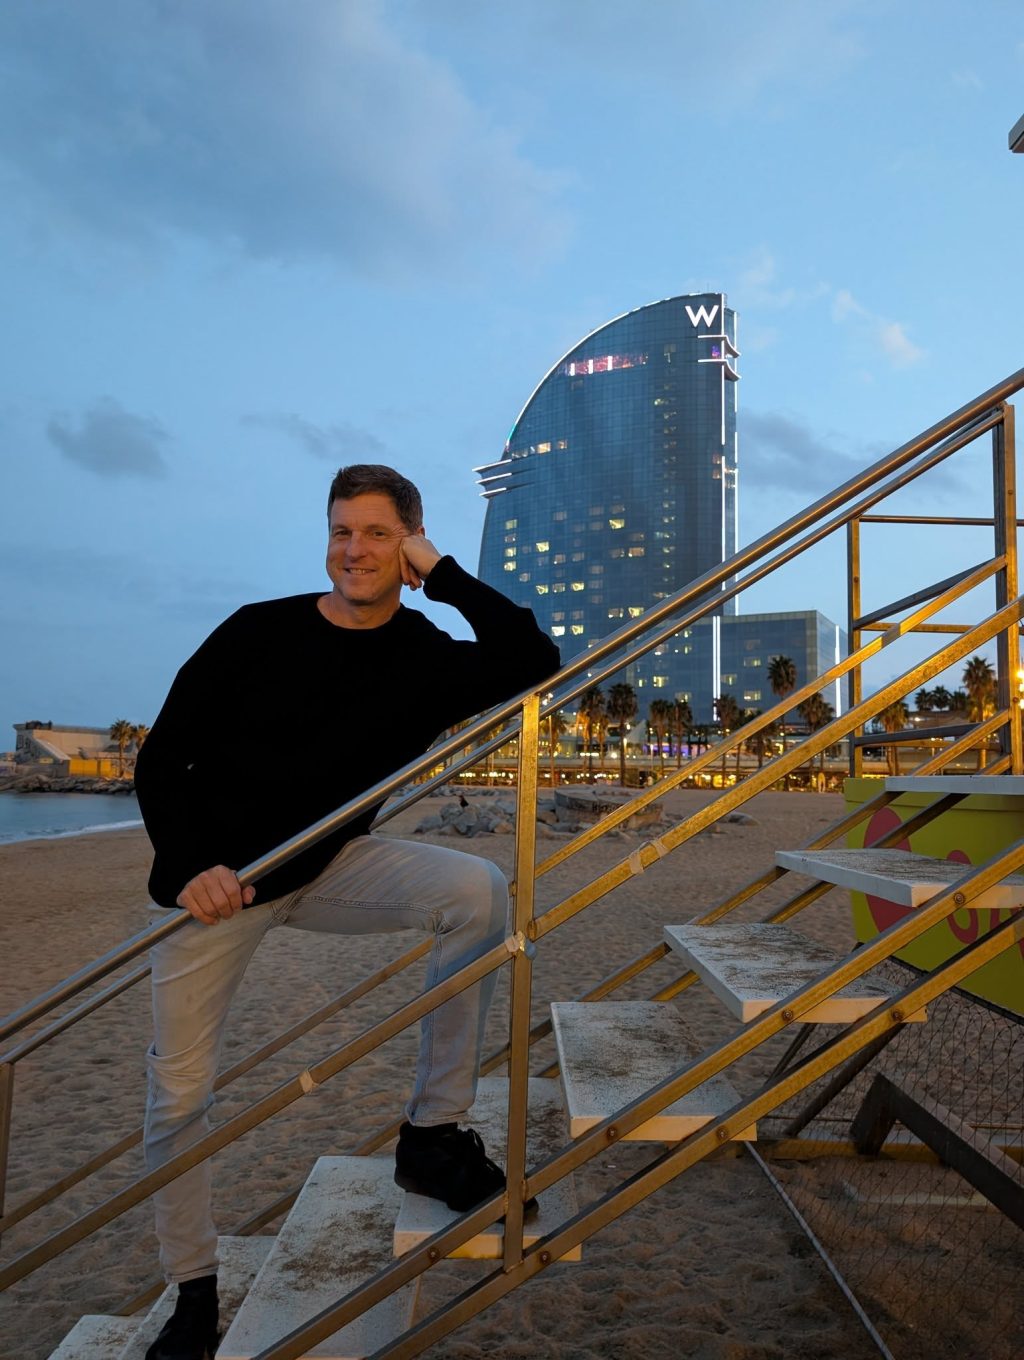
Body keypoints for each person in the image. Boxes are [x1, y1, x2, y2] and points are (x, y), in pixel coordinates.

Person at [134, 464, 559, 1360]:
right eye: (340, 532)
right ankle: (193, 1290)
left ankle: (433, 1136)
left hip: (328, 868)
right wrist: (185, 868)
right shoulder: (256, 631)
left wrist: (440, 572)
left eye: (375, 533)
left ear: (405, 540)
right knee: (177, 1093)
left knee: (476, 890)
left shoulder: (424, 657)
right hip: (218, 886)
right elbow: (162, 759)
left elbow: (531, 656)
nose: (353, 550)